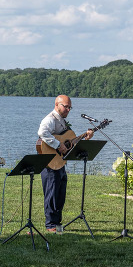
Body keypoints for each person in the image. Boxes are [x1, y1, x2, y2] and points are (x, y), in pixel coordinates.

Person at [37, 95, 93, 233]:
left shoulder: (61, 120)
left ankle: (57, 223)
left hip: (60, 162)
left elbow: (68, 142)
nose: (68, 109)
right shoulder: (50, 119)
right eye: (65, 106)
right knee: (51, 194)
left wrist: (85, 137)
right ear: (57, 105)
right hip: (50, 162)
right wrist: (57, 144)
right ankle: (50, 225)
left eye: (70, 107)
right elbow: (42, 133)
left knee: (60, 194)